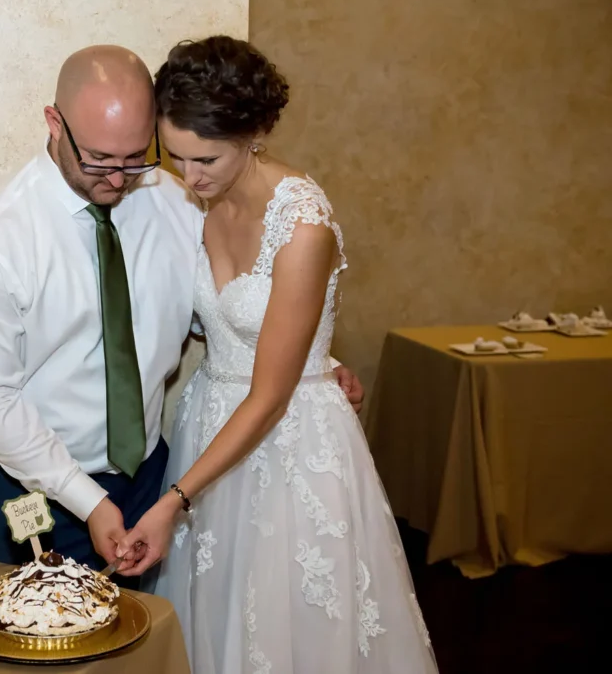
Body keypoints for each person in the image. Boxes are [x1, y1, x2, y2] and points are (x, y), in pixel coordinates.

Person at [0, 45, 365, 589]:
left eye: (135, 158)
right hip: (33, 491)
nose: (118, 179)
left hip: (149, 481)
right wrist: (87, 501)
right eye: (98, 159)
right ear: (53, 122)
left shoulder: (177, 199)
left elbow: (227, 305)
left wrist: (312, 361)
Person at [114, 36, 438, 671]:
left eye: (205, 159)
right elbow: (233, 321)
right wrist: (323, 354)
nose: (190, 177)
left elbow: (270, 395)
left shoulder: (303, 224)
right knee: (216, 614)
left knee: (287, 621)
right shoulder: (191, 200)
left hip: (287, 442)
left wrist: (173, 502)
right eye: (174, 156)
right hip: (211, 419)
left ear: (254, 133)